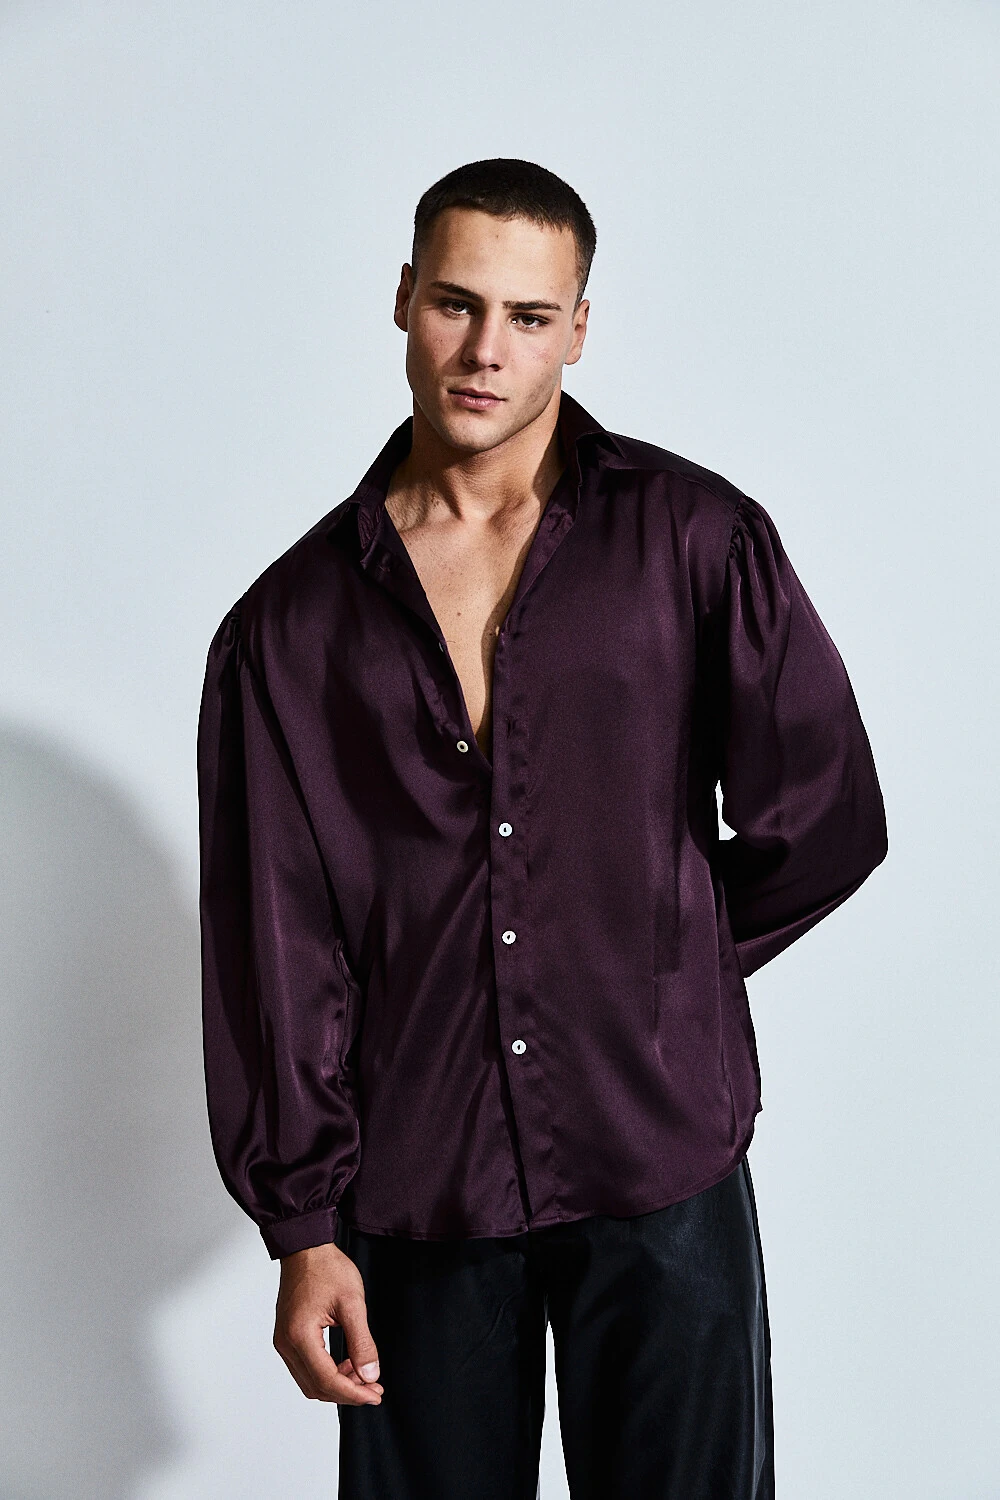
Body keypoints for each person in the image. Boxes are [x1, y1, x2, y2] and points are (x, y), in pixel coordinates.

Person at [197, 157, 888, 1500]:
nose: (486, 351)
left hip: (659, 1158)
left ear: (579, 327)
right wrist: (304, 1226)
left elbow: (825, 814)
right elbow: (276, 947)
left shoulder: (695, 542)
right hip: (420, 1185)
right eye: (457, 304)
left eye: (527, 316)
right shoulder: (287, 628)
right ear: (405, 299)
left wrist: (659, 974)